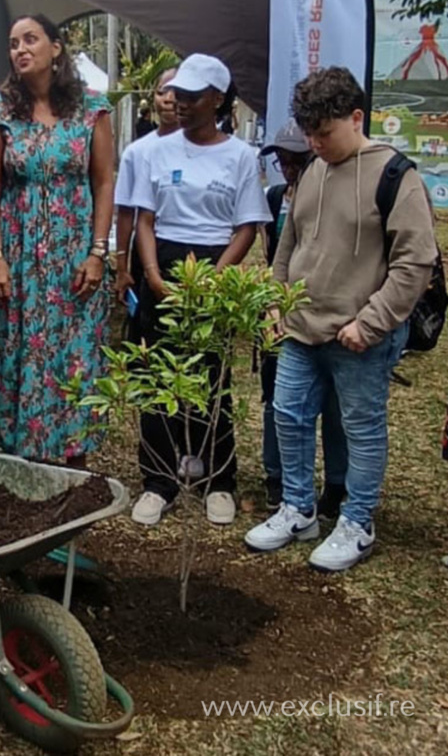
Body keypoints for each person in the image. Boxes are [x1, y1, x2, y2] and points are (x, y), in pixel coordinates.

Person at [245, 67, 437, 571]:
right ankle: (298, 508)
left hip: (360, 337)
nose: (315, 143)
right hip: (300, 329)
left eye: (324, 133)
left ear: (356, 117)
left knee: (360, 427)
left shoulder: (397, 175)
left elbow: (415, 261)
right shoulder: (313, 170)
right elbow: (288, 245)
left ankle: (357, 522)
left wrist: (371, 323)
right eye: (309, 133)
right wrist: (276, 303)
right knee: (287, 415)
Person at [130, 53, 272, 526]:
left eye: (192, 97)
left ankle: (219, 480)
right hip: (163, 266)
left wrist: (211, 279)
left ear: (218, 99)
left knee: (212, 378)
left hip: (214, 267)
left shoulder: (241, 156)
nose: (180, 103)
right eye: (177, 95)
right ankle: (158, 480)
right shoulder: (156, 151)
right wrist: (152, 275)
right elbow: (145, 219)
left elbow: (247, 228)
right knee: (157, 377)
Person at [0, 14, 114, 465]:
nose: (20, 49)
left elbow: (104, 182)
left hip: (74, 259)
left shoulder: (92, 109)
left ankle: (72, 465)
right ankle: (22, 464)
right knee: (18, 353)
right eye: (13, 42)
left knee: (73, 358)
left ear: (56, 48)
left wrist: (98, 252)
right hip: (17, 262)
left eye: (30, 39)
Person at [258, 118, 347, 514]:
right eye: (283, 161)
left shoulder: (334, 199)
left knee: (333, 404)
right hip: (284, 315)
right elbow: (273, 254)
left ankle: (336, 485)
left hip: (327, 316)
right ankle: (277, 478)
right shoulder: (276, 197)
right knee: (278, 399)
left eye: (298, 160)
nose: (290, 169)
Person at [114, 67, 179, 322]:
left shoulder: (205, 149)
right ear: (154, 96)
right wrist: (122, 266)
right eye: (163, 91)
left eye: (178, 92)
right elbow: (127, 213)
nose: (169, 99)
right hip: (146, 250)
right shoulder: (137, 152)